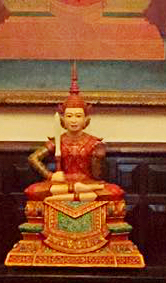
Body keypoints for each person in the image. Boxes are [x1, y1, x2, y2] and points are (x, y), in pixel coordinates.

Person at [25, 66, 125, 204]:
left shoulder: (93, 142)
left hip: (87, 184)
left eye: (78, 116)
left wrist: (98, 158)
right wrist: (50, 176)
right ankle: (75, 196)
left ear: (85, 120)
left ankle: (65, 197)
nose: (73, 120)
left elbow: (97, 175)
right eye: (69, 116)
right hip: (62, 183)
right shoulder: (58, 141)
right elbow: (33, 158)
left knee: (114, 192)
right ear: (63, 120)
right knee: (33, 191)